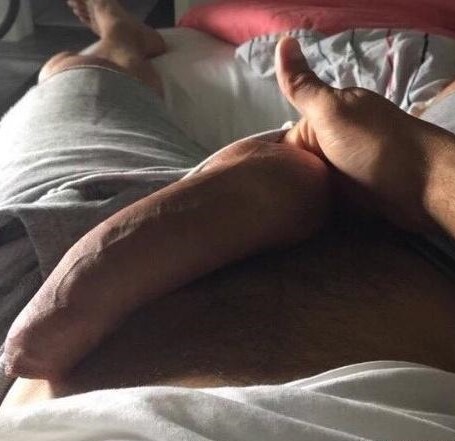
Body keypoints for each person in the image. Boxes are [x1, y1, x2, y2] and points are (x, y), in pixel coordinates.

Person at [0, 0, 454, 417]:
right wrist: (425, 169)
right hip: (420, 251)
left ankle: (122, 40)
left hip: (51, 246)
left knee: (74, 72)